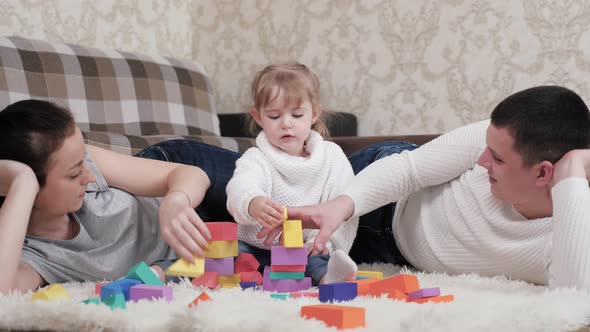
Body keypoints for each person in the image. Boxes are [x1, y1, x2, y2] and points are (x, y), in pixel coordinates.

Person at [258, 85, 590, 289]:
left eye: (498, 160)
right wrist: (341, 204)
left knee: (263, 247)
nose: (482, 161)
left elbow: (574, 296)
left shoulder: (575, 224)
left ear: (545, 174)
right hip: (383, 194)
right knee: (250, 193)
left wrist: (573, 169)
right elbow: (409, 169)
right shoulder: (502, 137)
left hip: (384, 253)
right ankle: (202, 172)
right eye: (486, 150)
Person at [0, 99, 240, 294]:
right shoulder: (35, 256)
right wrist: (21, 181)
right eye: (74, 174)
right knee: (265, 252)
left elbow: (192, 175)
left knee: (271, 200)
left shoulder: (87, 167)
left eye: (83, 159)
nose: (90, 175)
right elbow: (3, 293)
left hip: (181, 190)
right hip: (196, 251)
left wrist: (176, 200)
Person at [226, 63, 359, 285]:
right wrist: (252, 202)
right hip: (258, 249)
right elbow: (240, 186)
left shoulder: (332, 157)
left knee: (317, 259)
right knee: (229, 253)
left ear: (314, 113)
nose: (286, 124)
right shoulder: (256, 157)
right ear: (258, 117)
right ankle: (166, 269)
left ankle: (330, 279)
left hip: (303, 251)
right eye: (274, 116)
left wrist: (323, 243)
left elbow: (345, 207)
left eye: (297, 115)